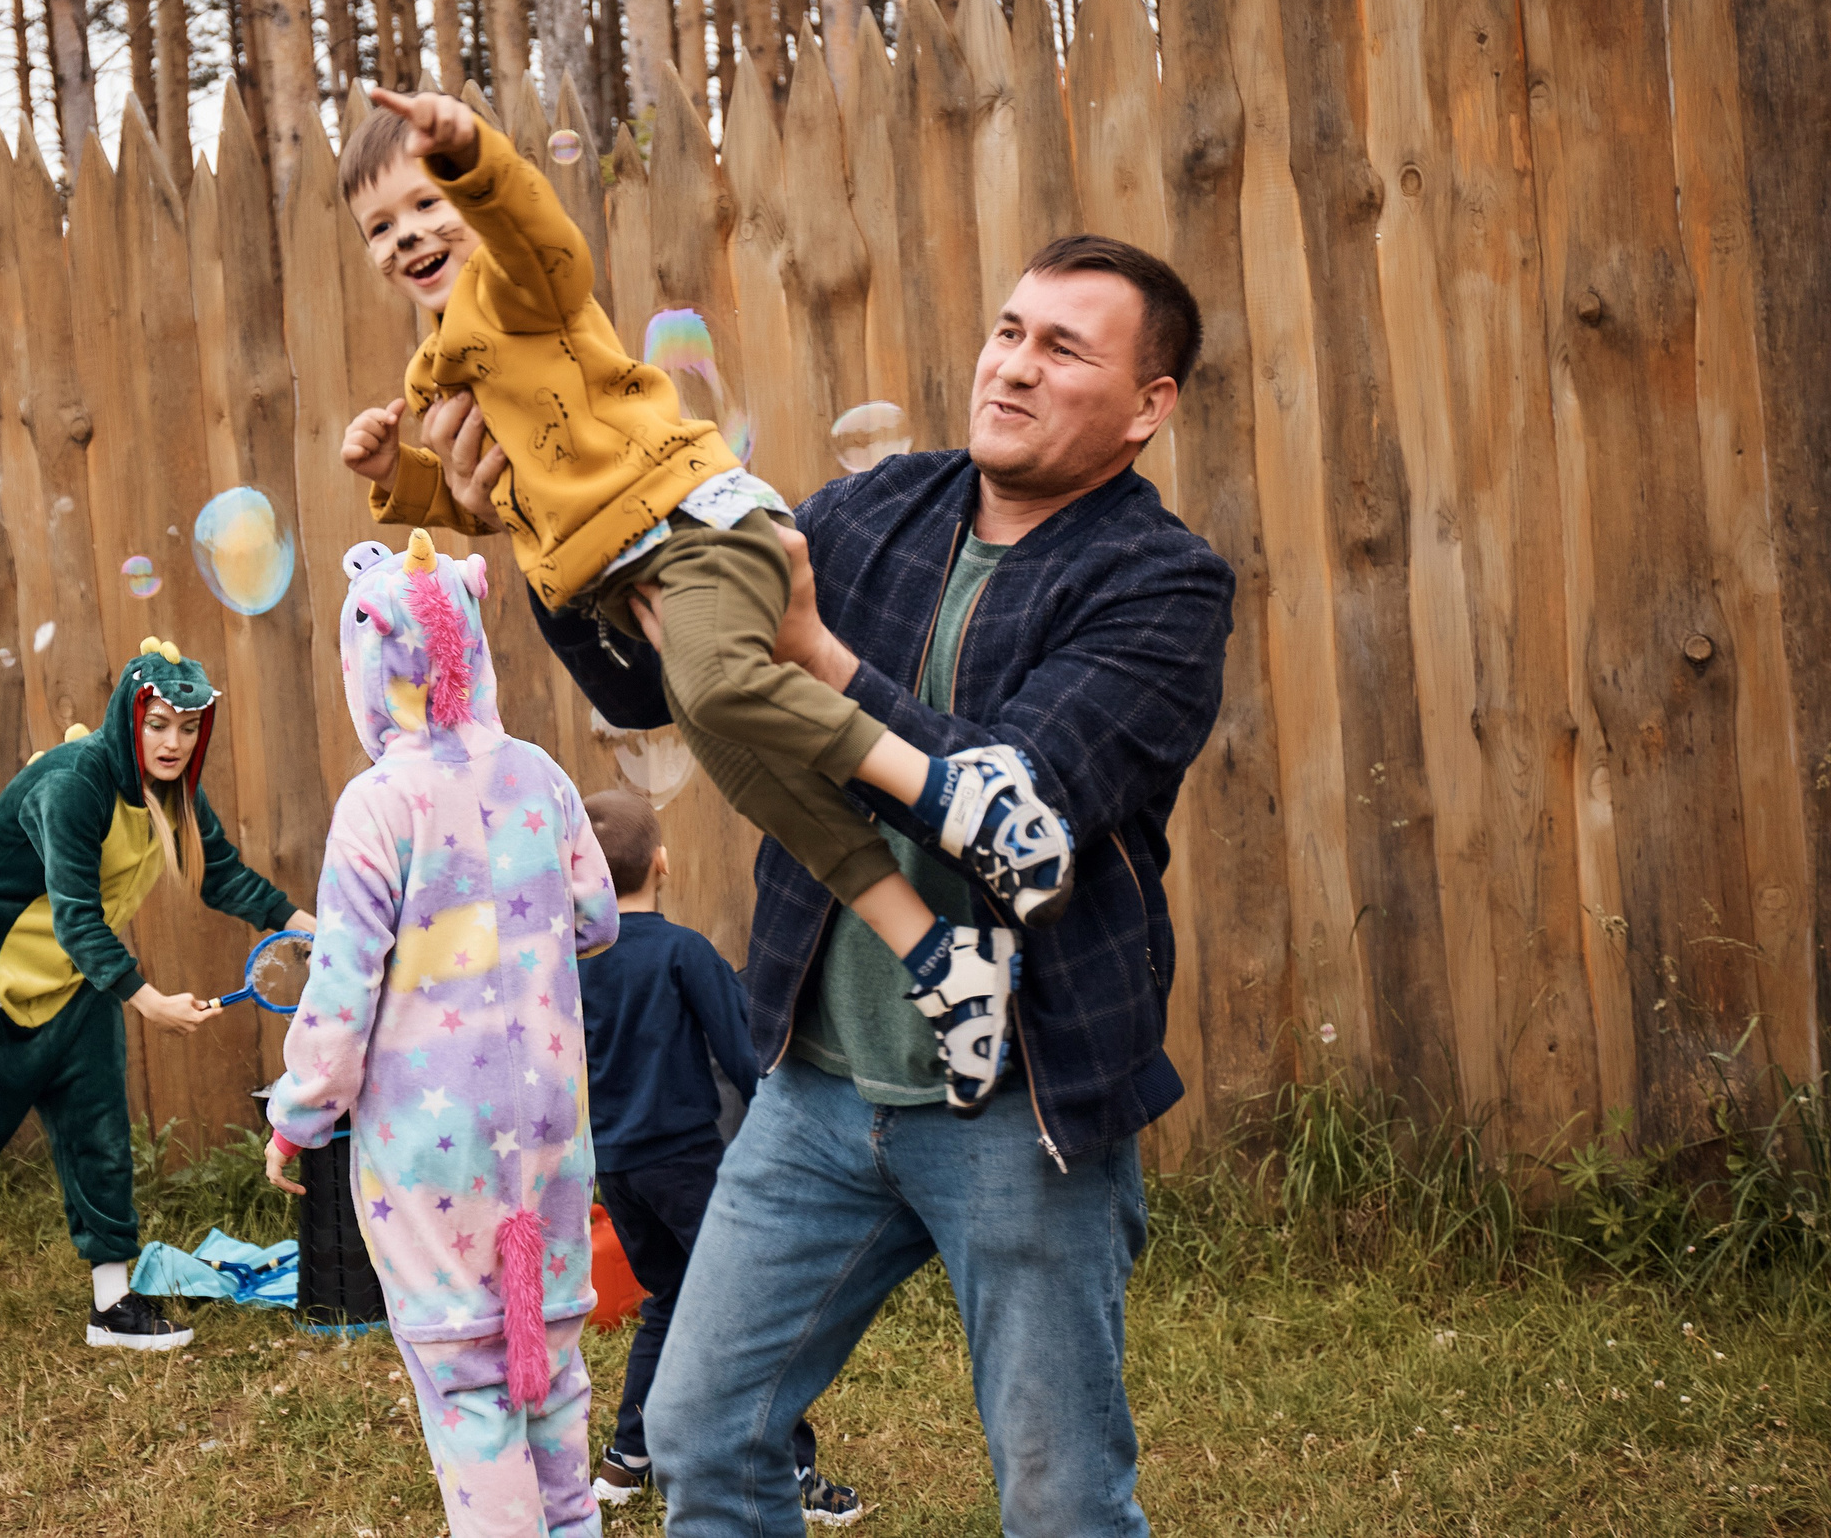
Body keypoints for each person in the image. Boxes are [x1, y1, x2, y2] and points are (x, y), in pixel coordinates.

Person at [544, 236, 1236, 1535]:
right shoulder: (871, 511)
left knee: (1061, 1500)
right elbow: (655, 679)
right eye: (1009, 329)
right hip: (814, 1084)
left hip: (1015, 1109)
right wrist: (546, 549)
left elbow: (1015, 808)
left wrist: (811, 650)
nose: (1014, 366)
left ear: (1151, 406)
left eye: (1064, 348)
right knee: (702, 1429)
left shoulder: (1162, 586)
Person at [336, 88, 1080, 1119]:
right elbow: (502, 501)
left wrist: (472, 155)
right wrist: (398, 480)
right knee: (764, 786)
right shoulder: (444, 373)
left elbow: (542, 239)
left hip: (696, 530)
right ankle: (943, 960)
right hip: (634, 580)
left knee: (721, 684)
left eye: (428, 203)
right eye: (381, 225)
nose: (410, 233)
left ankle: (971, 803)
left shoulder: (516, 293)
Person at [0, 638, 313, 1383]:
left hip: (78, 979)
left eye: (188, 729)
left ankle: (112, 1305)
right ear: (130, 716)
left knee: (99, 1131)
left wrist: (303, 924)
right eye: (159, 724)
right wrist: (147, 999)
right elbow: (75, 914)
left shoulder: (175, 794)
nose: (173, 742)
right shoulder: (75, 781)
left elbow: (219, 874)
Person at [263, 531, 619, 1538]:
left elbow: (338, 1002)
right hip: (548, 1140)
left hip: (431, 1163)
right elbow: (596, 918)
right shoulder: (542, 779)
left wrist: (297, 1118)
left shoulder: (377, 807)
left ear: (367, 664)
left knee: (468, 1390)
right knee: (547, 1373)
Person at [576, 790, 859, 1528]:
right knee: (747, 1312)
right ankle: (792, 1468)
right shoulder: (684, 952)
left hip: (616, 1168)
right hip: (689, 1165)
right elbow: (747, 1055)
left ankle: (624, 1463)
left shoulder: (565, 963)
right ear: (662, 862)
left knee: (668, 1301)